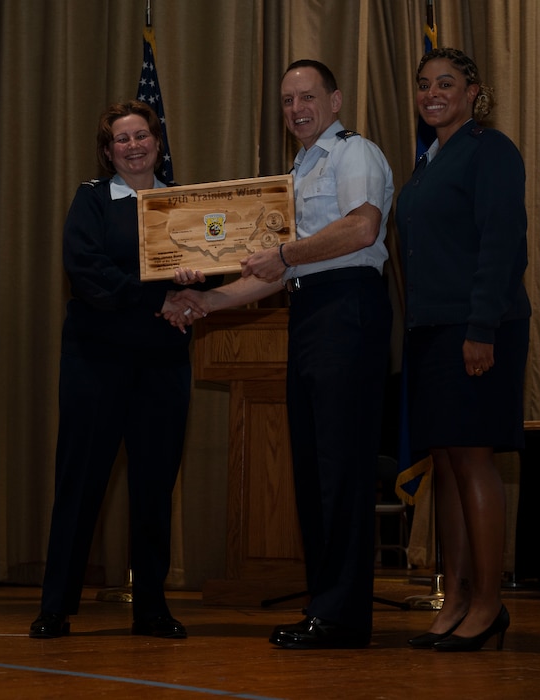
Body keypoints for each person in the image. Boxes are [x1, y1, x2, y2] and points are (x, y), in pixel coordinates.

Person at [167, 59, 394, 649]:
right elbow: (273, 273)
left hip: (350, 309)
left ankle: (341, 615)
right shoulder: (296, 170)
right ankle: (327, 607)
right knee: (315, 467)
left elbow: (362, 230)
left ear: (336, 100)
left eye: (308, 97)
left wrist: (287, 256)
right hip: (311, 309)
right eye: (288, 100)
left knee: (340, 469)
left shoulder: (354, 155)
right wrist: (204, 302)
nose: (297, 109)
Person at [29, 100, 211, 640]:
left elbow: (214, 271)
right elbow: (87, 272)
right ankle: (55, 606)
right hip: (96, 363)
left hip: (163, 366)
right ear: (107, 151)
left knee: (154, 489)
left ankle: (152, 609)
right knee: (80, 484)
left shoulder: (184, 203)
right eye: (121, 139)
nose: (133, 146)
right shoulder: (90, 200)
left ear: (158, 141)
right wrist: (163, 297)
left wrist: (198, 285)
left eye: (142, 135)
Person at [395, 47, 529, 652]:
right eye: (424, 85)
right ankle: (455, 599)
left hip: (477, 328)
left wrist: (480, 329)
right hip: (430, 332)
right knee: (446, 467)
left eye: (445, 83)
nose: (431, 93)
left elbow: (500, 245)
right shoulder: (428, 163)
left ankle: (489, 604)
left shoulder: (490, 150)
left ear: (473, 91)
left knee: (473, 460)